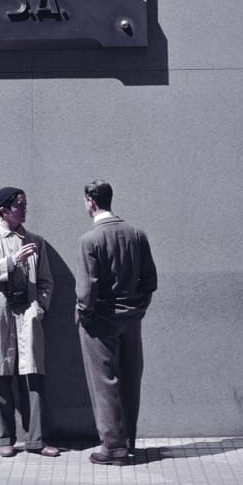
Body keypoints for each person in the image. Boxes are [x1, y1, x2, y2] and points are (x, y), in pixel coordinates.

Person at [0, 186, 59, 458]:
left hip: (27, 315)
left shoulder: (36, 240)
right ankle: (5, 438)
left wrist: (40, 308)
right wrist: (11, 261)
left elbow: (46, 281)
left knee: (33, 377)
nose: (24, 209)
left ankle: (37, 440)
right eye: (19, 204)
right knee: (1, 375)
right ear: (4, 210)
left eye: (25, 204)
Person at [75, 179, 157, 465]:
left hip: (100, 320)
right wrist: (139, 307)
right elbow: (150, 280)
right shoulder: (137, 234)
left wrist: (83, 314)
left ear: (91, 201)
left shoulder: (90, 240)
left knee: (105, 382)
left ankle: (113, 447)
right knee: (130, 377)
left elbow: (87, 288)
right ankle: (128, 441)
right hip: (132, 318)